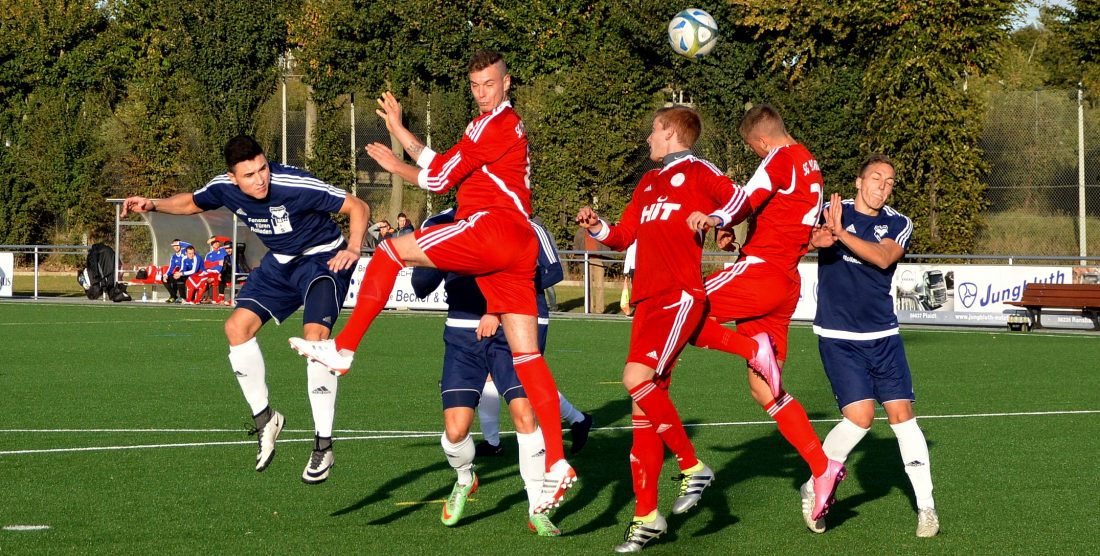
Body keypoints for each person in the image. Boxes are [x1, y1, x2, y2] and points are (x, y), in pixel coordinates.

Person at [288, 49, 576, 514]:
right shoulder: (498, 127)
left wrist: (397, 165)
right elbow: (445, 161)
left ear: (507, 83)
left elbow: (440, 179)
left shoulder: (491, 125)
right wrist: (399, 131)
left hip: (490, 229)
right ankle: (559, 462)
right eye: (475, 86)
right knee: (528, 359)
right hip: (517, 246)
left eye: (490, 84)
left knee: (388, 251)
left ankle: (344, 348)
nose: (482, 92)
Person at [121, 134, 370, 484]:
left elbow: (358, 207)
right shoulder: (223, 187)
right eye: (249, 175)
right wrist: (153, 203)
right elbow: (192, 203)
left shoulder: (293, 184)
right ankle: (266, 419)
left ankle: (323, 445)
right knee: (236, 329)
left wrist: (355, 248)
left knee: (316, 341)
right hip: (280, 264)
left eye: (262, 169)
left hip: (323, 260)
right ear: (233, 177)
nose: (260, 179)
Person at [576, 105, 750, 553]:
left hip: (679, 294)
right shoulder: (648, 183)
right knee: (642, 415)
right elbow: (622, 236)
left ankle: (693, 466)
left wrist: (716, 219)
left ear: (672, 132)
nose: (648, 138)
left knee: (635, 380)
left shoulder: (696, 170)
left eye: (654, 130)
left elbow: (740, 198)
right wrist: (598, 226)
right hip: (648, 302)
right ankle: (646, 517)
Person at [687, 103, 847, 523]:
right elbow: (783, 217)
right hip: (785, 284)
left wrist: (716, 217)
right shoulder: (810, 164)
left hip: (760, 274)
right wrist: (733, 232)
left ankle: (747, 348)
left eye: (754, 150)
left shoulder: (779, 158)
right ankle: (822, 467)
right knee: (766, 392)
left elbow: (747, 196)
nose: (759, 156)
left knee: (679, 308)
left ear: (760, 141)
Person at [804, 154, 938, 537]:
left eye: (890, 181)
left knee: (903, 416)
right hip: (839, 338)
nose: (882, 186)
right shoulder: (832, 211)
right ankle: (815, 484)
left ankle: (926, 508)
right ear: (859, 182)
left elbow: (882, 258)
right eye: (876, 178)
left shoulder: (898, 223)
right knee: (860, 419)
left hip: (883, 337)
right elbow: (807, 240)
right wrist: (820, 236)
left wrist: (842, 234)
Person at [409, 208, 559, 536]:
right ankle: (466, 478)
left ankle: (537, 508)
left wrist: (498, 306)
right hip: (462, 335)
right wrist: (439, 255)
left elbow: (550, 272)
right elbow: (420, 285)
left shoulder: (516, 221)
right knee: (455, 430)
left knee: (524, 414)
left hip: (509, 330)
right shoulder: (438, 223)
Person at [475, 215, 593, 458]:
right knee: (488, 373)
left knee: (526, 379)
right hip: (499, 312)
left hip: (531, 314)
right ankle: (492, 442)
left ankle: (576, 421)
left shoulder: (533, 227)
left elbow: (555, 271)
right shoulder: (491, 223)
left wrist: (518, 286)